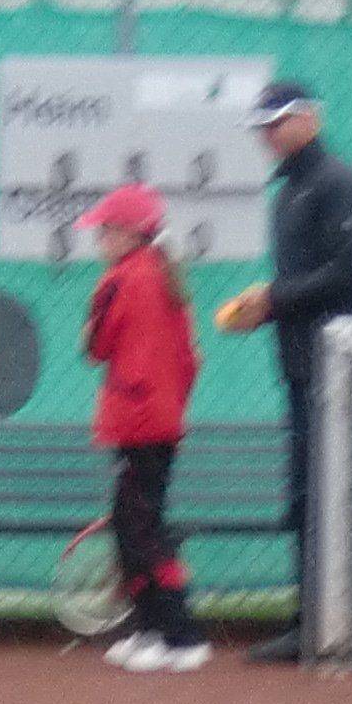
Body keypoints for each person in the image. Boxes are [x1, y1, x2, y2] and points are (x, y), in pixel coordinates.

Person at [215, 80, 352, 666]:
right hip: (302, 365)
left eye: (277, 122)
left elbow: (351, 271)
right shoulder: (290, 192)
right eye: (262, 126)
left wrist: (275, 299)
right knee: (307, 496)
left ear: (310, 119)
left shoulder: (338, 183)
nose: (267, 135)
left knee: (346, 492)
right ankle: (312, 623)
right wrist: (269, 305)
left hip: (341, 367)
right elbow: (307, 279)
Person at [80, 182, 208, 672]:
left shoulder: (121, 280)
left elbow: (95, 347)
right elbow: (190, 360)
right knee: (133, 526)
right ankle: (151, 630)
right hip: (160, 420)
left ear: (133, 233)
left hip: (138, 422)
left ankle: (180, 636)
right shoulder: (169, 278)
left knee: (141, 531)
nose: (101, 240)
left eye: (107, 230)